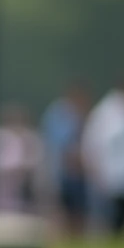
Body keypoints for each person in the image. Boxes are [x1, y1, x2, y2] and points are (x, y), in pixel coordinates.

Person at [82, 81, 124, 235]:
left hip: (123, 175)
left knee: (122, 214)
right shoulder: (112, 112)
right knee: (109, 215)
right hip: (111, 173)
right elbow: (97, 143)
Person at [39, 84, 90, 235]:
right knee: (63, 209)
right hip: (62, 172)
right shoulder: (59, 114)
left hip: (76, 173)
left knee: (78, 210)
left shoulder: (79, 115)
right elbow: (60, 144)